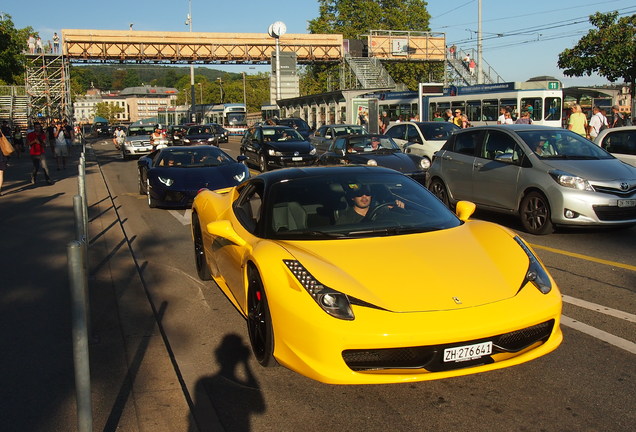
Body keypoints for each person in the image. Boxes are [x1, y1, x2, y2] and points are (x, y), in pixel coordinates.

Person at [338, 185, 405, 224]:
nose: (364, 196)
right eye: (359, 194)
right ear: (353, 198)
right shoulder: (345, 219)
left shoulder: (383, 211)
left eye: (367, 193)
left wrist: (400, 209)